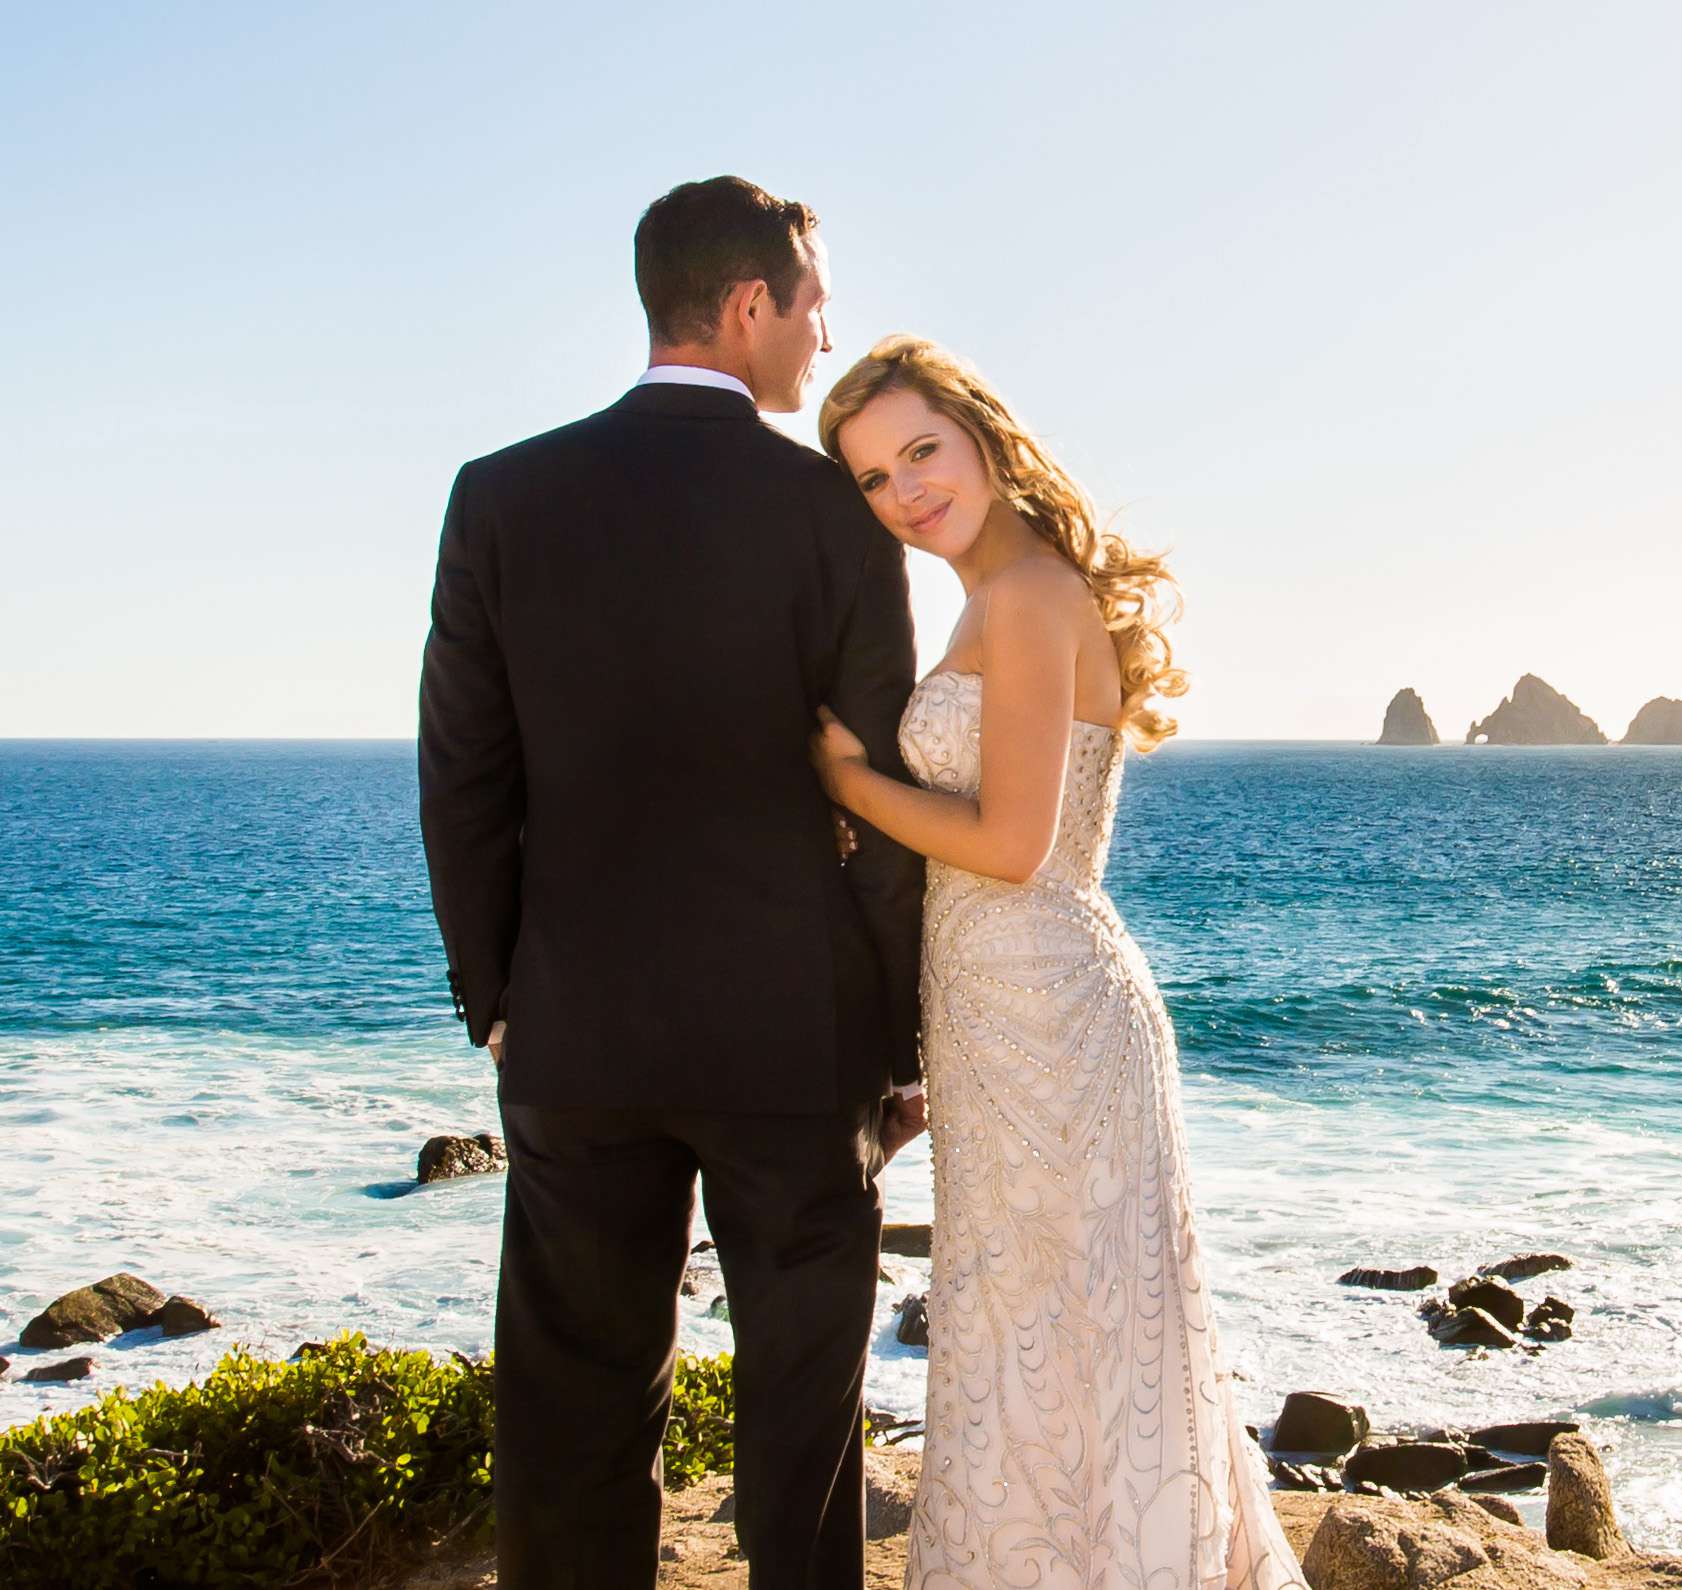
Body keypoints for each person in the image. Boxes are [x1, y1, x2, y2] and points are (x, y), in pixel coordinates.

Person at [418, 176, 924, 1589]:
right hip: (794, 1034)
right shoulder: (836, 514)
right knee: (803, 1425)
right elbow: (879, 795)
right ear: (751, 304)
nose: (824, 336)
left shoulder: (501, 496)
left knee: (573, 1411)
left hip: (576, 1030)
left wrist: (498, 996)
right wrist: (900, 1041)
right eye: (814, 304)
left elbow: (464, 781)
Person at [810, 335, 1308, 1589]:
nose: (907, 491)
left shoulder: (1027, 593)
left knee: (1068, 1333)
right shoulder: (998, 594)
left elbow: (1015, 844)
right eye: (873, 478)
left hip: (1053, 1012)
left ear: (980, 432)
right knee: (1042, 1330)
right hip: (1002, 1011)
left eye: (921, 450)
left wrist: (850, 782)